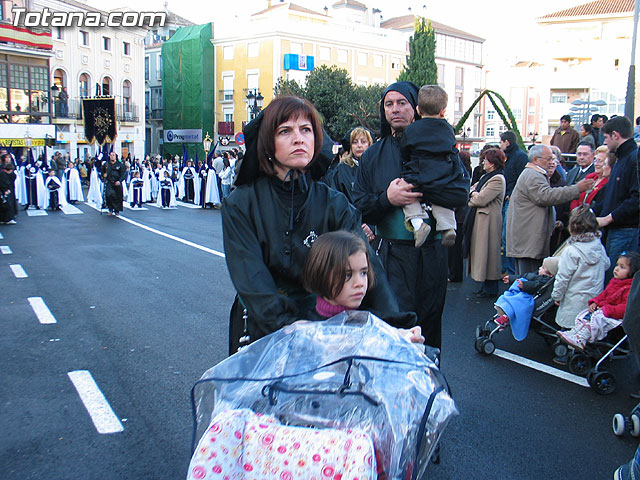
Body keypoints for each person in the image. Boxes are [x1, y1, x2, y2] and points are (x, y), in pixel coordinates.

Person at [222, 95, 414, 354]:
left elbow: (368, 266)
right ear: (268, 141)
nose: (298, 138)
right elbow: (251, 277)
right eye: (285, 131)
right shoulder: (241, 204)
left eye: (306, 130)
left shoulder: (334, 203)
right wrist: (288, 325)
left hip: (325, 326)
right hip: (262, 326)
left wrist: (393, 327)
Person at [353, 81, 464, 350]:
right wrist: (387, 199)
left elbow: (461, 194)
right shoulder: (372, 156)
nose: (395, 110)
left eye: (402, 103)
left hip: (433, 252)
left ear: (415, 107)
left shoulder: (442, 148)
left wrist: (427, 190)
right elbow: (359, 205)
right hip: (392, 256)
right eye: (389, 104)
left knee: (430, 325)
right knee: (394, 326)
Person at [300, 230, 424, 343]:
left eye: (363, 273)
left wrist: (406, 336)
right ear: (321, 274)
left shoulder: (375, 323)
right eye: (347, 275)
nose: (360, 283)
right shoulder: (304, 330)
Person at [398, 84, 469, 248]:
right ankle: (448, 227)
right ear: (443, 110)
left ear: (418, 109)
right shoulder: (448, 130)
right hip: (444, 173)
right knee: (442, 199)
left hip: (418, 171)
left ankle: (418, 224)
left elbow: (405, 150)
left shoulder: (412, 129)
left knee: (406, 193)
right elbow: (452, 150)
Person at [506, 145, 593, 275]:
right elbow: (546, 196)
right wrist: (576, 189)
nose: (551, 161)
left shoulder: (533, 173)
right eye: (548, 158)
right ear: (536, 159)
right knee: (529, 279)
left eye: (553, 158)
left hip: (526, 239)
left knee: (526, 277)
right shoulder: (533, 175)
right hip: (528, 240)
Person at [557, 251, 640, 350]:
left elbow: (625, 308)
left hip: (615, 317)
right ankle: (576, 332)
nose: (616, 269)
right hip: (605, 310)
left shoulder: (630, 288)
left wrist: (607, 309)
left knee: (597, 317)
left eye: (622, 267)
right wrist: (595, 302)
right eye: (617, 265)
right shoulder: (615, 281)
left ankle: (581, 338)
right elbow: (604, 294)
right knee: (586, 314)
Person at [594, 116, 639, 279]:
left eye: (606, 138)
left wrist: (608, 218)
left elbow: (636, 199)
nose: (605, 142)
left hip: (626, 231)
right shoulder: (621, 159)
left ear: (615, 135)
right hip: (615, 230)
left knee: (616, 281)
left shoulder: (633, 159)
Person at [551, 205, 609, 329]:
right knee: (586, 329)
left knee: (570, 329)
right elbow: (606, 264)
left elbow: (563, 277)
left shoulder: (571, 251)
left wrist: (557, 296)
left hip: (573, 299)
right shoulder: (598, 245)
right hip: (593, 297)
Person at [463, 147, 506, 297]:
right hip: (482, 220)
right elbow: (473, 191)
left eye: (485, 160)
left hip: (489, 222)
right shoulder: (486, 177)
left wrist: (473, 195)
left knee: (489, 254)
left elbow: (481, 199)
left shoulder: (497, 179)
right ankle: (485, 284)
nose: (483, 163)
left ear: (493, 163)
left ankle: (491, 287)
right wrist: (474, 194)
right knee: (482, 253)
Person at [493, 256, 559, 337]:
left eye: (543, 268)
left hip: (528, 296)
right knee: (507, 300)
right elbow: (524, 276)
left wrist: (524, 285)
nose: (539, 268)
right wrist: (511, 278)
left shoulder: (544, 280)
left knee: (514, 304)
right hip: (525, 293)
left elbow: (535, 286)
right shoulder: (537, 274)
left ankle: (505, 318)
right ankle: (503, 317)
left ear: (550, 274)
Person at [500, 131, 529, 277]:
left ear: (507, 142)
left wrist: (511, 194)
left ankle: (510, 271)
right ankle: (506, 268)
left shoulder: (520, 157)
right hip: (506, 197)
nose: (500, 145)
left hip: (511, 200)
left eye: (501, 142)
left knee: (507, 236)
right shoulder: (510, 157)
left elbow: (521, 179)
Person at [570, 145, 610, 210]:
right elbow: (576, 197)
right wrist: (575, 211)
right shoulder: (590, 177)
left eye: (600, 161)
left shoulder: (608, 182)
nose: (596, 164)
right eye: (595, 160)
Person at [102, 151, 126, 216]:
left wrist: (120, 181)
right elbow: (102, 171)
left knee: (117, 197)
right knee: (109, 195)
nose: (112, 156)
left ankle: (117, 210)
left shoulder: (120, 165)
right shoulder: (106, 164)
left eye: (113, 155)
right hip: (110, 182)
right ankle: (110, 209)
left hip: (117, 182)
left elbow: (123, 174)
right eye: (111, 155)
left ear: (115, 156)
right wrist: (103, 175)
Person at [0, 157, 17, 224]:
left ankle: (2, 219)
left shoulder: (2, 173)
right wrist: (6, 190)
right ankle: (8, 219)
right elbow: (4, 183)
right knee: (7, 205)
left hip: (2, 191)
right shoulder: (3, 175)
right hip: (4, 191)